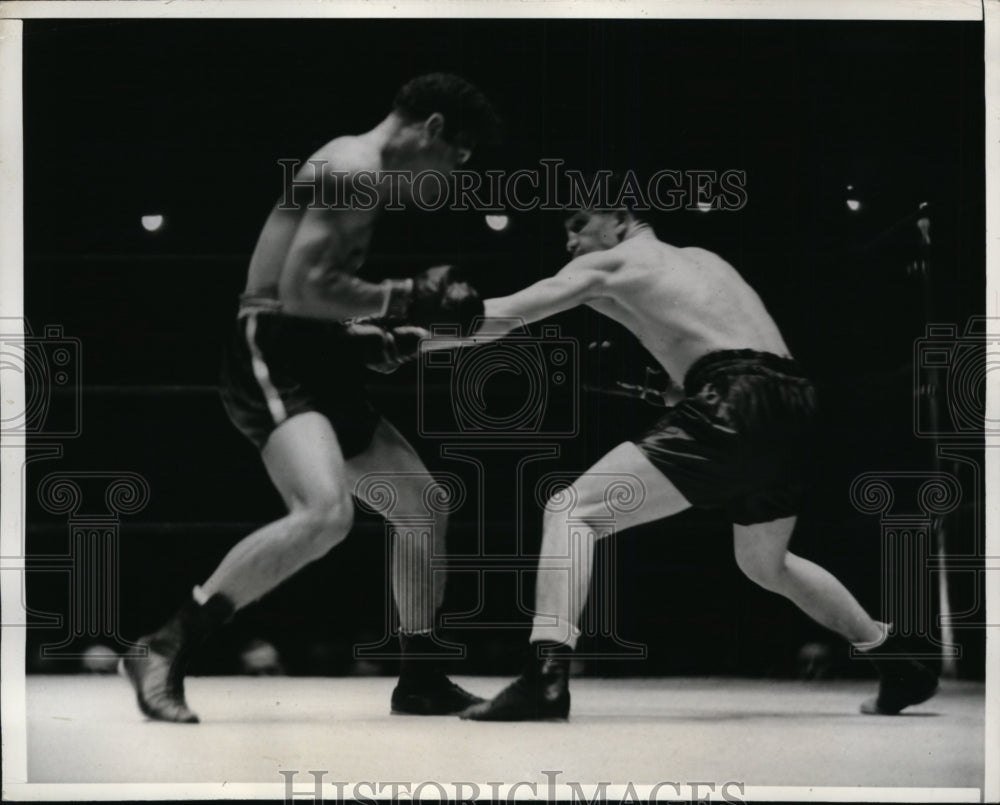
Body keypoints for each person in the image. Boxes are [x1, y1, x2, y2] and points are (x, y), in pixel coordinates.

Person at [457, 180, 939, 721]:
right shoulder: (706, 262)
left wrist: (413, 328)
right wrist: (659, 389)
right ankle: (897, 662)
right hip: (795, 401)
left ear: (619, 218)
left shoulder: (611, 263)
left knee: (572, 511)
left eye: (578, 224)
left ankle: (544, 679)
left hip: (735, 397)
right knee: (766, 564)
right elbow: (735, 358)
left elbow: (502, 315)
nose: (570, 242)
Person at [122, 73, 500, 722]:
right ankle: (165, 644)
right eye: (456, 158)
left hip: (315, 347)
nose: (451, 176)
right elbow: (300, 290)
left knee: (422, 504)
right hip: (274, 348)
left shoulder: (363, 171)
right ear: (432, 129)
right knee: (325, 512)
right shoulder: (353, 167)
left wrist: (369, 332)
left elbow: (319, 292)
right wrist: (405, 296)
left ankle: (421, 677)